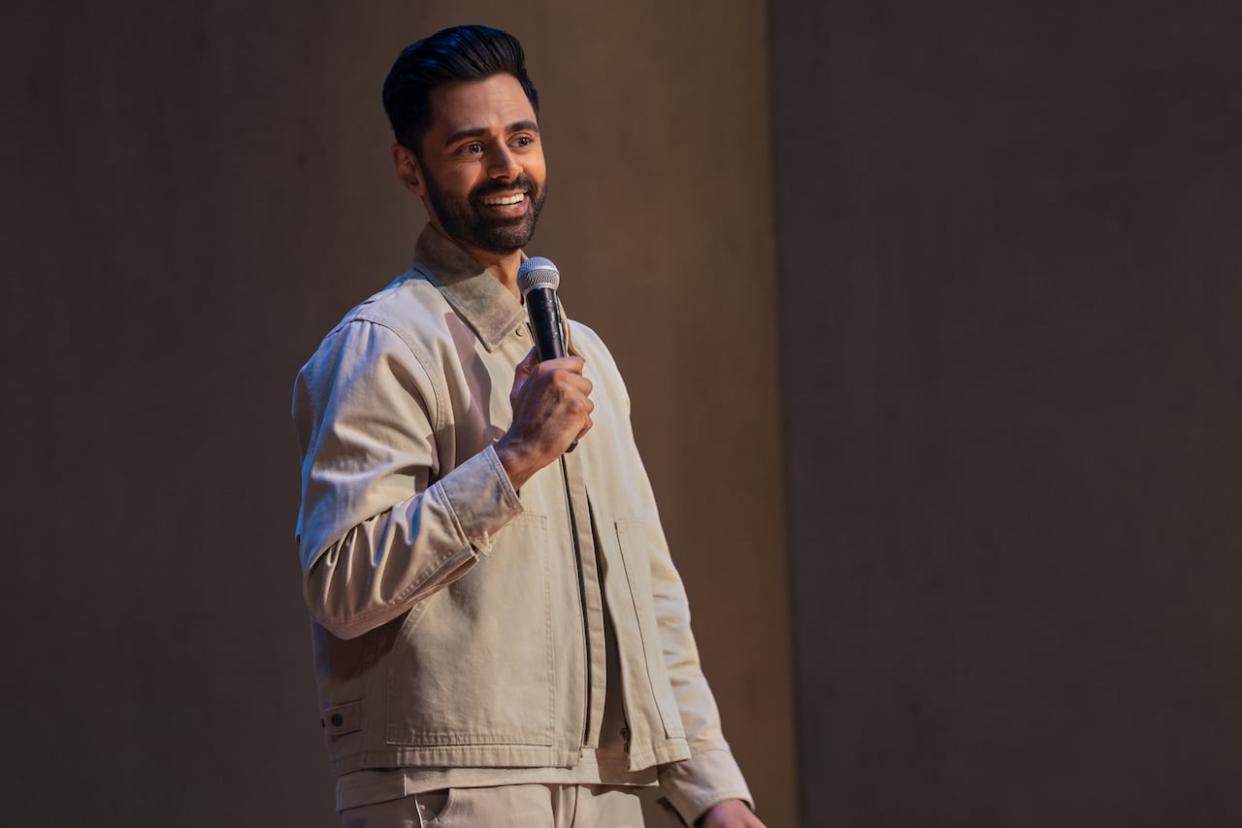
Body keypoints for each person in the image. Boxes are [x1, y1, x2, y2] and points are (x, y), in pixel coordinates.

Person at [292, 25, 765, 828]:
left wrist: (714, 793)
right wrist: (511, 458)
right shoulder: (385, 343)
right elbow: (341, 582)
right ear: (411, 167)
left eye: (521, 138)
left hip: (606, 787)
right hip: (452, 788)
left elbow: (648, 597)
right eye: (472, 146)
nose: (507, 167)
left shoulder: (588, 361)